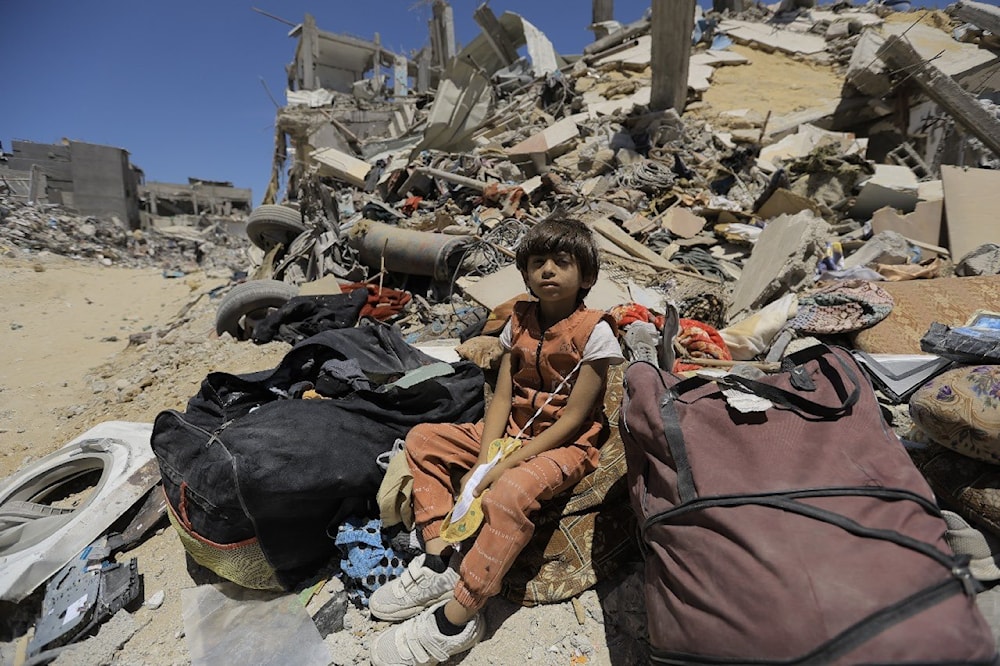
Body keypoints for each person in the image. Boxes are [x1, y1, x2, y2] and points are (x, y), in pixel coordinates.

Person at [369, 217, 624, 665]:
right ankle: (436, 559)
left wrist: (501, 469)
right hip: (509, 433)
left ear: (586, 276)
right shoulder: (518, 321)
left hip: (564, 445)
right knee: (424, 439)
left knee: (508, 494)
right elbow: (502, 395)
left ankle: (459, 615)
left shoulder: (596, 331)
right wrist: (487, 454)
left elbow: (572, 420)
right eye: (537, 262)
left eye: (561, 262)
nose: (547, 270)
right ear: (524, 273)